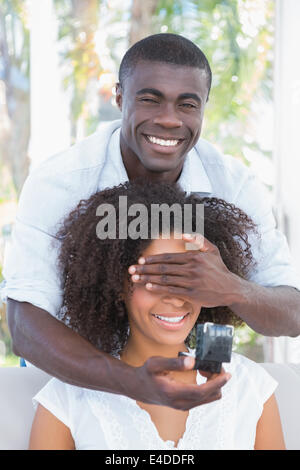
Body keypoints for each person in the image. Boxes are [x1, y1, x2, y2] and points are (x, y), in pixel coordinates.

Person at [2, 33, 300, 411]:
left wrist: (231, 289)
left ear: (204, 107)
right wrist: (131, 382)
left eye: (187, 104)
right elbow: (26, 325)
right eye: (149, 99)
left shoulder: (234, 186)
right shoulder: (60, 182)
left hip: (174, 376)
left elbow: (293, 311)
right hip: (70, 375)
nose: (168, 119)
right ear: (120, 97)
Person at [29, 181, 285, 450]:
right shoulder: (68, 397)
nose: (176, 297)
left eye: (188, 277)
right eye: (155, 279)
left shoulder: (249, 387)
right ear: (116, 284)